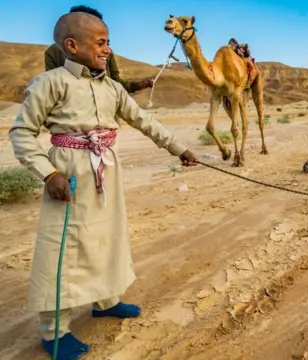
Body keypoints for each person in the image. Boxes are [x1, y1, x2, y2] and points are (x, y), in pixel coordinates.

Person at [9, 10, 198, 360]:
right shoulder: (49, 83)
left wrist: (179, 147)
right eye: (100, 42)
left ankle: (106, 300)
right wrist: (49, 174)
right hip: (68, 173)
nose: (107, 49)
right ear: (72, 45)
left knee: (107, 236)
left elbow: (143, 120)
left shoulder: (111, 87)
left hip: (107, 169)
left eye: (108, 42)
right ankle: (54, 331)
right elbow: (21, 133)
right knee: (62, 249)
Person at [43, 5, 154, 94]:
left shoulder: (106, 53)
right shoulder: (53, 52)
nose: (106, 50)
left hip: (107, 115)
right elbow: (53, 87)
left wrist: (138, 85)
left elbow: (115, 81)